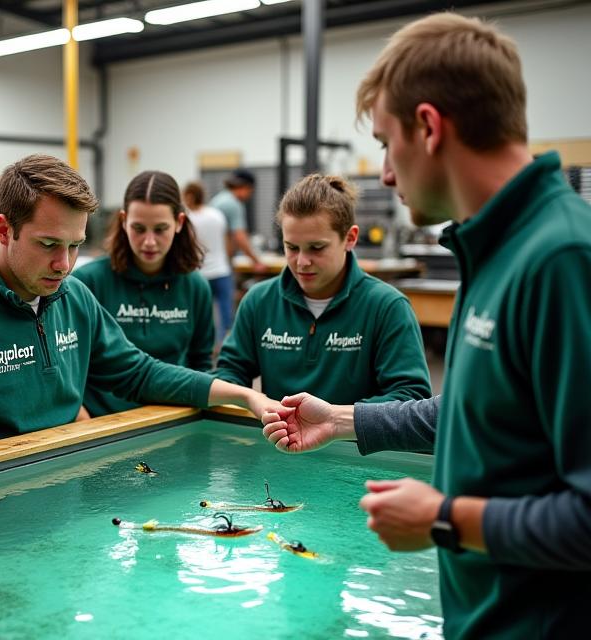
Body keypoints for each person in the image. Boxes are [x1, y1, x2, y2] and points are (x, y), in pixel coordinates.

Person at [261, 13, 591, 638]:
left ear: (429, 127)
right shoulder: (499, 251)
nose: (385, 172)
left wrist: (446, 520)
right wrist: (340, 419)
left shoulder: (561, 261)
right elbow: (475, 413)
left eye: (386, 143)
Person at [0, 154, 281, 480]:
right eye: (47, 244)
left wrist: (241, 395)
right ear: (3, 230)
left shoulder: (74, 297)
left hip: (66, 484)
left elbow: (138, 373)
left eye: (75, 245)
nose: (64, 264)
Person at [216, 173, 431, 404]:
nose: (302, 261)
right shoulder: (259, 301)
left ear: (350, 238)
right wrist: (247, 398)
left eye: (316, 248)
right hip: (277, 439)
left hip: (354, 440)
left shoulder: (386, 307)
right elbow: (230, 375)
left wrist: (337, 421)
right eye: (292, 247)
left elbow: (411, 398)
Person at [73, 170, 214, 417]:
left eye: (160, 229)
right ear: (124, 220)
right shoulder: (87, 282)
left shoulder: (196, 287)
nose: (149, 241)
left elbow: (201, 364)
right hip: (102, 424)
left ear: (179, 222)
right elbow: (70, 367)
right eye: (139, 228)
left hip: (173, 419)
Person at [183, 180, 235, 343]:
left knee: (200, 314)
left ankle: (206, 345)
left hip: (199, 273)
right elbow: (228, 242)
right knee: (225, 312)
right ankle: (224, 345)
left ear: (190, 196)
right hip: (222, 270)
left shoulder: (188, 219)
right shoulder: (217, 214)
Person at [209, 168, 267, 272]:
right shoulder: (233, 204)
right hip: (221, 265)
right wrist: (257, 261)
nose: (250, 195)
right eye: (250, 191)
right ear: (245, 187)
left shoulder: (219, 199)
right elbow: (240, 236)